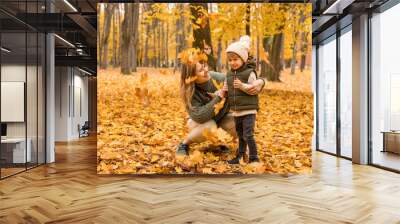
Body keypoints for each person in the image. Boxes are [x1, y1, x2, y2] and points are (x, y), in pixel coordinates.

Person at [176, 48, 266, 156]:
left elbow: (244, 78)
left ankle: (240, 145)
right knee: (210, 126)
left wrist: (260, 82)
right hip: (198, 123)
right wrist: (220, 96)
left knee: (244, 119)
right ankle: (184, 143)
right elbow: (200, 116)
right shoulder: (190, 92)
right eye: (200, 70)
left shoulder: (217, 78)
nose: (205, 70)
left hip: (221, 118)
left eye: (205, 66)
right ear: (191, 77)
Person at [224, 35, 262, 164]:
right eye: (230, 60)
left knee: (248, 135)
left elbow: (253, 88)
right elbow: (226, 86)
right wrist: (222, 92)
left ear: (243, 59)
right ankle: (240, 156)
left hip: (249, 110)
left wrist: (242, 86)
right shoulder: (229, 74)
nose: (232, 62)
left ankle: (254, 157)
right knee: (240, 136)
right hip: (236, 110)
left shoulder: (249, 73)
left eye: (235, 59)